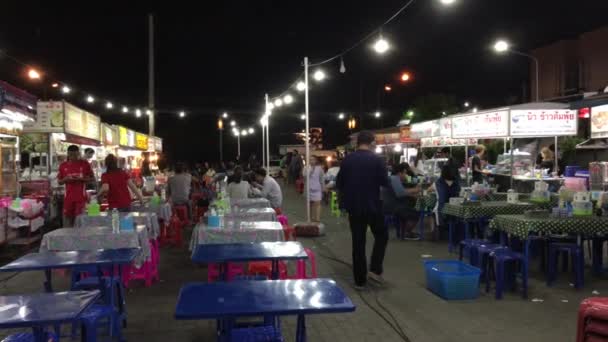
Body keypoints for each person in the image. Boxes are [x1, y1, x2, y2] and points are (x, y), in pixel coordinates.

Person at [336, 130, 389, 289]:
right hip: (373, 206)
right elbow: (385, 182)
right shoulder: (377, 160)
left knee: (358, 242)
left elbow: (340, 183)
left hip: (354, 207)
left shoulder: (347, 160)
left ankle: (360, 280)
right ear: (372, 142)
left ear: (357, 143)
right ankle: (375, 269)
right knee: (382, 236)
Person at [381, 163, 422, 240]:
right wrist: (415, 190)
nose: (406, 175)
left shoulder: (393, 178)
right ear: (400, 173)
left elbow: (399, 192)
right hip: (392, 206)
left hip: (390, 204)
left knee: (411, 204)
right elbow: (400, 193)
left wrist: (412, 194)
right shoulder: (394, 179)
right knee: (416, 212)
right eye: (405, 173)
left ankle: (405, 231)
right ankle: (407, 232)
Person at [58, 145, 95, 227]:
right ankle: (67, 239)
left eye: (75, 155)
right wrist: (66, 179)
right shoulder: (63, 165)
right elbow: (59, 181)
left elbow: (92, 179)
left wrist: (82, 178)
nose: (73, 157)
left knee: (80, 221)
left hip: (81, 198)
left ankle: (80, 238)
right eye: (71, 155)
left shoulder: (85, 164)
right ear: (68, 154)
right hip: (68, 198)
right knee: (67, 222)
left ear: (78, 153)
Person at [429, 164, 461, 230]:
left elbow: (428, 190)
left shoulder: (438, 183)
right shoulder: (457, 183)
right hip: (455, 210)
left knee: (432, 212)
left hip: (441, 209)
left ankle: (434, 231)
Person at [304, 156, 325, 222]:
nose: (311, 161)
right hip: (309, 188)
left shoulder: (320, 168)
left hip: (317, 188)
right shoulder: (306, 167)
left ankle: (317, 219)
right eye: (310, 160)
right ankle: (310, 217)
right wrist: (311, 170)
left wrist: (323, 187)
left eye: (313, 159)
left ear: (316, 160)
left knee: (318, 203)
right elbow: (304, 176)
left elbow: (322, 178)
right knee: (310, 204)